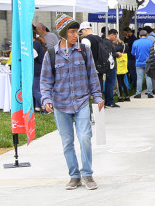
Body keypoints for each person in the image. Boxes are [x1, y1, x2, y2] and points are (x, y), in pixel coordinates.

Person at [40, 14, 103, 190]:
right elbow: (45, 81)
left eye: (77, 32)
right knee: (67, 141)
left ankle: (88, 174)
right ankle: (74, 175)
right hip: (60, 104)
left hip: (82, 101)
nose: (76, 35)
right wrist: (46, 99)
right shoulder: (51, 55)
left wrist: (97, 96)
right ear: (63, 34)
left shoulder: (84, 51)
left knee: (85, 137)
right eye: (72, 32)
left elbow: (92, 75)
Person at [79, 22, 107, 90]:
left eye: (82, 31)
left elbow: (84, 55)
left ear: (85, 29)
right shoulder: (99, 38)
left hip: (91, 67)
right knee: (99, 87)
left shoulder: (86, 40)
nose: (82, 33)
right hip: (101, 66)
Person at [132, 29, 154, 98]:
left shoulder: (136, 42)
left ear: (139, 36)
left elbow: (133, 53)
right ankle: (150, 93)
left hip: (138, 62)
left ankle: (138, 93)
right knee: (149, 77)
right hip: (148, 62)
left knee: (139, 78)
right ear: (147, 35)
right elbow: (153, 52)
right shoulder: (150, 42)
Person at [105, 29, 124, 107]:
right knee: (111, 83)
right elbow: (110, 54)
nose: (116, 38)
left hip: (109, 65)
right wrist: (117, 54)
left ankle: (108, 100)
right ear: (111, 35)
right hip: (111, 65)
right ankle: (110, 101)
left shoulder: (105, 42)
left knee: (109, 83)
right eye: (115, 36)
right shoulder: (108, 43)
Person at [113, 32, 130, 103]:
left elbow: (113, 55)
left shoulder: (115, 48)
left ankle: (120, 96)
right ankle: (127, 96)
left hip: (118, 65)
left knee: (119, 82)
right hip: (123, 65)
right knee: (122, 81)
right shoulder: (125, 46)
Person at [32, 25, 46, 113]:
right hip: (36, 69)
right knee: (36, 89)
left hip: (37, 70)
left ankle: (46, 106)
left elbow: (33, 56)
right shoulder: (36, 42)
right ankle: (37, 108)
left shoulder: (35, 43)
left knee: (35, 90)